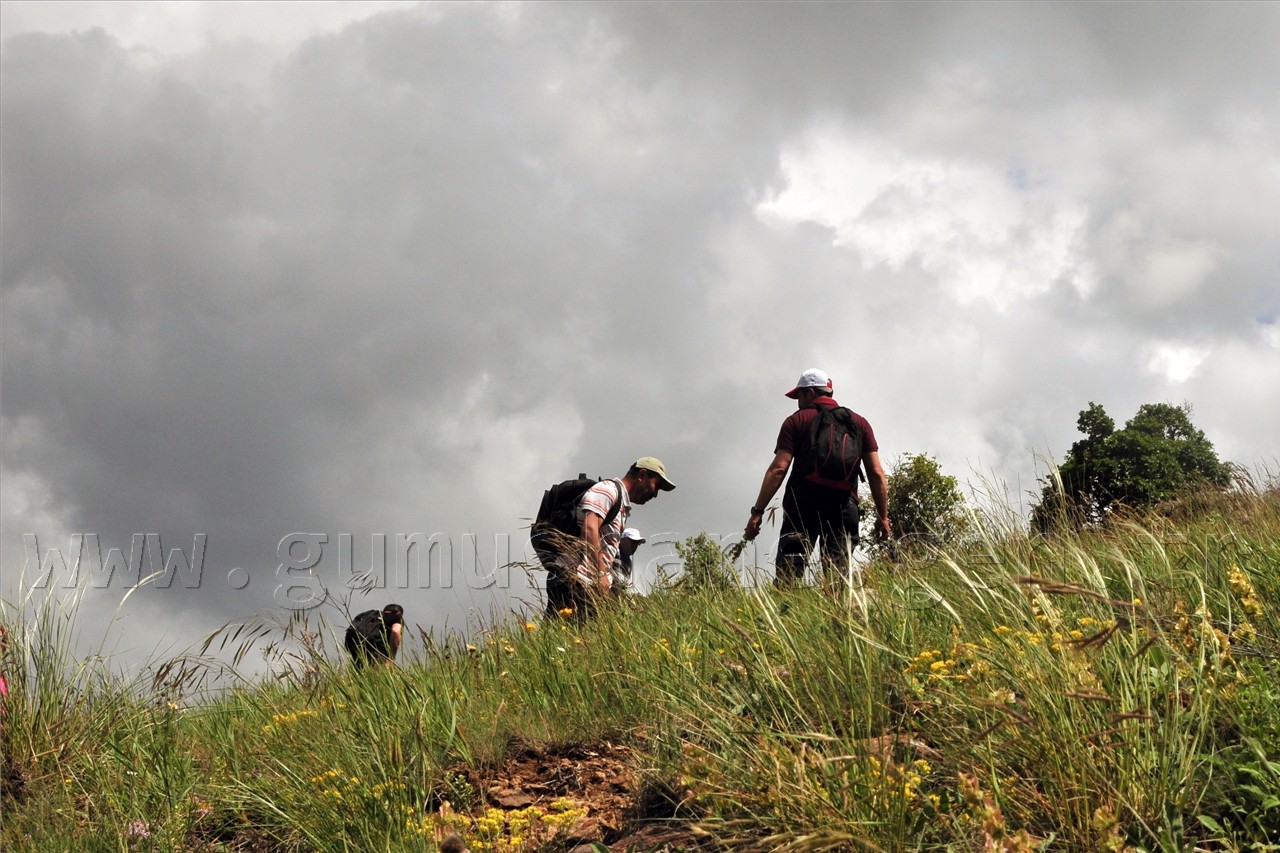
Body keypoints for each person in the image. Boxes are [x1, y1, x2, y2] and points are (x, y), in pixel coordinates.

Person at [744, 369, 890, 587]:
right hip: (843, 506)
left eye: (799, 397)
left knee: (788, 577)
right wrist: (883, 516)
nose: (798, 403)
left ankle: (784, 618)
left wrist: (758, 511)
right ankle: (840, 619)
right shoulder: (859, 423)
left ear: (809, 392)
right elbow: (877, 474)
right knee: (838, 579)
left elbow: (779, 469)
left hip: (802, 506)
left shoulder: (797, 421)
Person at [548, 457, 675, 618]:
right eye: (656, 486)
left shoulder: (621, 504)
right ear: (642, 475)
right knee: (571, 635)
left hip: (585, 581)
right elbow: (589, 529)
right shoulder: (607, 491)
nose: (655, 494)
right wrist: (600, 574)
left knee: (570, 635)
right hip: (574, 579)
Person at [611, 528, 646, 596]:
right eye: (632, 542)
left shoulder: (628, 562)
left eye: (637, 543)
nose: (635, 546)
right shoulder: (613, 552)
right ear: (623, 540)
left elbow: (623, 585)